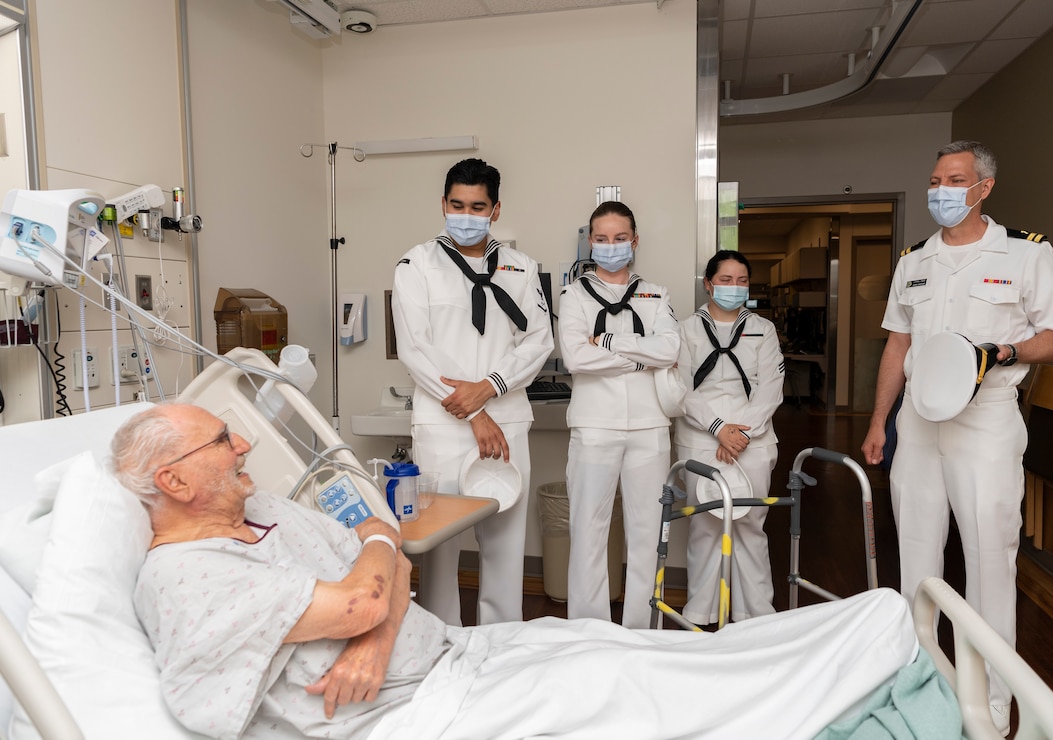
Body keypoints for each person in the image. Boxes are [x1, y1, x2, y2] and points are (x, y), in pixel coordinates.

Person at [114, 403, 920, 739]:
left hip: (441, 659)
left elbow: (384, 554)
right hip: (410, 711)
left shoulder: (271, 515)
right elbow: (372, 569)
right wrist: (376, 576)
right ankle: (838, 686)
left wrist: (374, 614)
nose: (245, 444)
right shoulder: (188, 577)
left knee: (609, 643)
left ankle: (856, 633)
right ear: (176, 482)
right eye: (223, 439)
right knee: (611, 680)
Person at [861, 140, 1053, 735]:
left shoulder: (1026, 254)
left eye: (954, 180)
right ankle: (917, 690)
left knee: (988, 560)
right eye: (935, 179)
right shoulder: (915, 260)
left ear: (983, 187)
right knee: (916, 557)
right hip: (918, 419)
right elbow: (897, 344)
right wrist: (881, 420)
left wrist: (1009, 349)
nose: (941, 191)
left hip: (984, 416)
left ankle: (994, 707)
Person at [391, 158, 554, 626]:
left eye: (477, 206)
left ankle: (502, 645)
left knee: (505, 544)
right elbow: (415, 348)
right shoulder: (415, 265)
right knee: (438, 548)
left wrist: (490, 388)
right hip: (444, 424)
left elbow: (539, 339)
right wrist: (474, 411)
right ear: (443, 204)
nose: (466, 215)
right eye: (457, 205)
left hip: (508, 420)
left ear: (495, 209)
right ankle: (439, 640)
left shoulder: (522, 269)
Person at [557, 201, 680, 629]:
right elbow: (575, 357)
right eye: (603, 239)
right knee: (588, 533)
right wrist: (640, 358)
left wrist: (607, 342)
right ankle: (588, 632)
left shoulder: (656, 293)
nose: (611, 246)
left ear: (635, 241)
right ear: (591, 242)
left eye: (620, 238)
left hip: (650, 428)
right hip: (593, 426)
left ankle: (640, 633)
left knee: (648, 535)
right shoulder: (572, 296)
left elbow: (671, 349)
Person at [674, 250, 784, 624]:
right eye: (725, 280)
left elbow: (772, 388)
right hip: (701, 437)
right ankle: (700, 615)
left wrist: (740, 432)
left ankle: (755, 617)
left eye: (741, 281)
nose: (733, 288)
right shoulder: (685, 331)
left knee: (751, 526)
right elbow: (680, 389)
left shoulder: (763, 329)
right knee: (705, 526)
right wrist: (718, 428)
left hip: (753, 440)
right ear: (708, 284)